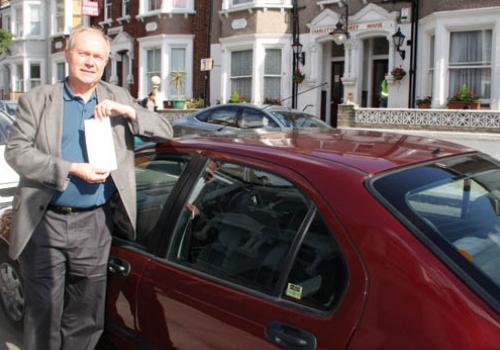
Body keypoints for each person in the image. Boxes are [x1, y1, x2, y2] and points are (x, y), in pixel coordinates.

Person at [4, 26, 173, 350]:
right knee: (43, 314)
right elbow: (16, 153)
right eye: (84, 53)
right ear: (68, 55)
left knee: (86, 314)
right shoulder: (38, 100)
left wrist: (129, 111)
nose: (90, 62)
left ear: (106, 62)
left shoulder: (118, 97)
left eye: (98, 56)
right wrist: (69, 169)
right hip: (45, 222)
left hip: (95, 223)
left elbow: (167, 131)